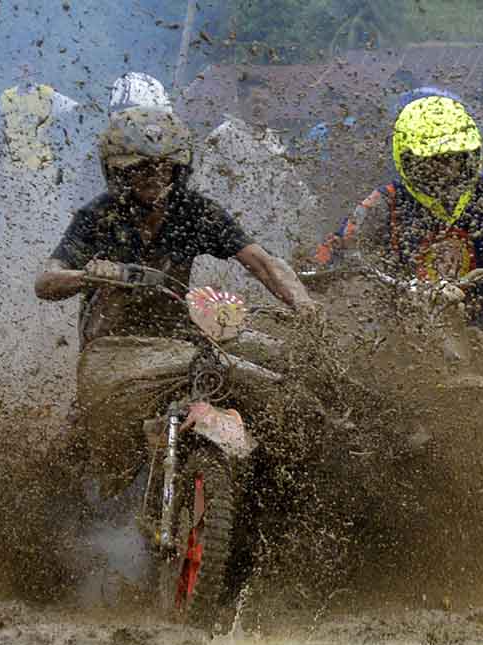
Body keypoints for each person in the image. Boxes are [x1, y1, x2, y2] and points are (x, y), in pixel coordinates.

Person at [35, 107, 317, 494]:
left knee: (279, 366)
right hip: (114, 348)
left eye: (163, 168)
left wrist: (306, 308)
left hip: (180, 338)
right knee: (68, 457)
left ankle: (277, 490)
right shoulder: (97, 216)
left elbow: (263, 263)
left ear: (179, 170)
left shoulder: (195, 211)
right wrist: (89, 275)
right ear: (118, 172)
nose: (153, 177)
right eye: (140, 168)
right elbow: (46, 281)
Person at [314, 91, 483, 335]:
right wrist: (324, 272)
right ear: (408, 158)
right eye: (433, 159)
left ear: (469, 155)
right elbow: (334, 248)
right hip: (404, 336)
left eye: (453, 158)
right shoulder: (385, 201)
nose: (446, 169)